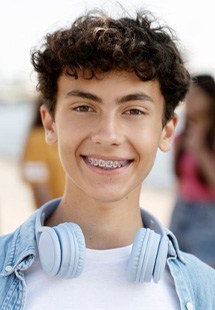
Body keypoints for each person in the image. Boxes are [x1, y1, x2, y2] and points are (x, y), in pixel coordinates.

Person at [0, 9, 215, 310]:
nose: (108, 134)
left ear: (166, 131)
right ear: (50, 124)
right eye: (84, 107)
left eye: (134, 111)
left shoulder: (207, 290)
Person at [169, 74, 215, 267]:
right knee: (175, 266)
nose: (190, 100)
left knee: (205, 270)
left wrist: (200, 150)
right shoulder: (182, 137)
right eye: (189, 95)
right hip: (182, 208)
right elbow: (180, 179)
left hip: (207, 215)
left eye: (197, 95)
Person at [21, 96, 65, 208]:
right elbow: (39, 188)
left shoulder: (65, 138)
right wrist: (52, 221)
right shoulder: (36, 139)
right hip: (57, 217)